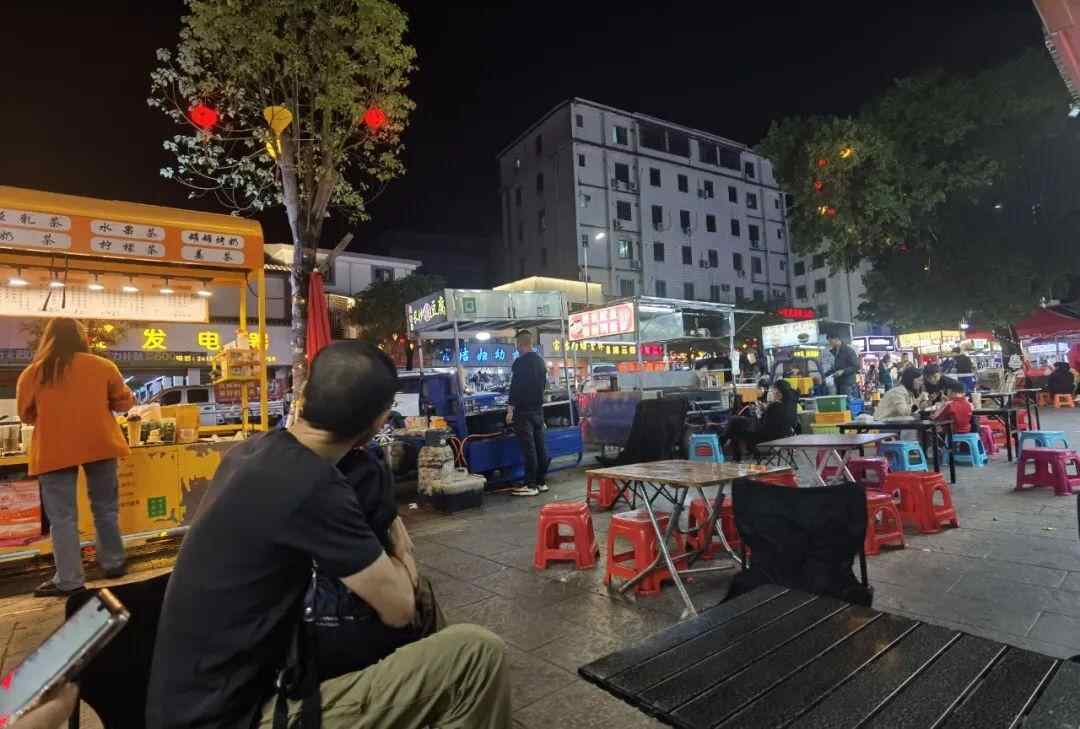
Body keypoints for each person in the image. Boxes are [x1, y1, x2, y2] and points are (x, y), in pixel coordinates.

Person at [147, 341, 510, 729]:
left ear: (303, 395)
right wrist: (397, 537)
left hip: (192, 700)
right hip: (236, 717)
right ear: (379, 422)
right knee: (477, 656)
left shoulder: (249, 452)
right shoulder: (310, 484)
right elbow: (400, 608)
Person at [16, 319, 134, 597]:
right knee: (105, 508)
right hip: (100, 443)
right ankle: (114, 563)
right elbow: (123, 402)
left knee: (63, 518)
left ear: (48, 339)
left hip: (54, 448)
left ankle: (69, 579)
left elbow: (25, 414)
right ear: (82, 338)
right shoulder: (103, 366)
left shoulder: (34, 372)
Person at [506, 330, 549, 497]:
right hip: (538, 410)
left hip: (523, 412)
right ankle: (541, 481)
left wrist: (510, 409)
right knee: (540, 447)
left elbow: (515, 388)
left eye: (517, 345)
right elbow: (543, 386)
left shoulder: (520, 362)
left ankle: (530, 484)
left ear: (520, 344)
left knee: (529, 449)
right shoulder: (540, 362)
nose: (516, 348)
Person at [721, 379, 798, 461]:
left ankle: (722, 446)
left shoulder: (775, 406)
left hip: (765, 439)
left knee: (734, 424)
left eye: (773, 390)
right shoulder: (791, 406)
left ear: (779, 392)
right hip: (780, 437)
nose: (771, 392)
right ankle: (732, 453)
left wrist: (759, 414)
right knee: (735, 424)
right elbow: (773, 421)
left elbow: (762, 426)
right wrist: (764, 410)